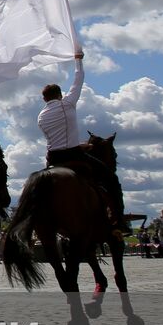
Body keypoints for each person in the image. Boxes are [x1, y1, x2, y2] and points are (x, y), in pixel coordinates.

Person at [38, 50, 129, 236]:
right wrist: (78, 60)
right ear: (60, 95)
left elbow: (57, 140)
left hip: (52, 157)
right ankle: (119, 221)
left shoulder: (41, 116)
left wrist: (80, 144)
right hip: (72, 154)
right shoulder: (68, 104)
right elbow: (78, 79)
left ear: (44, 99)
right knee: (112, 180)